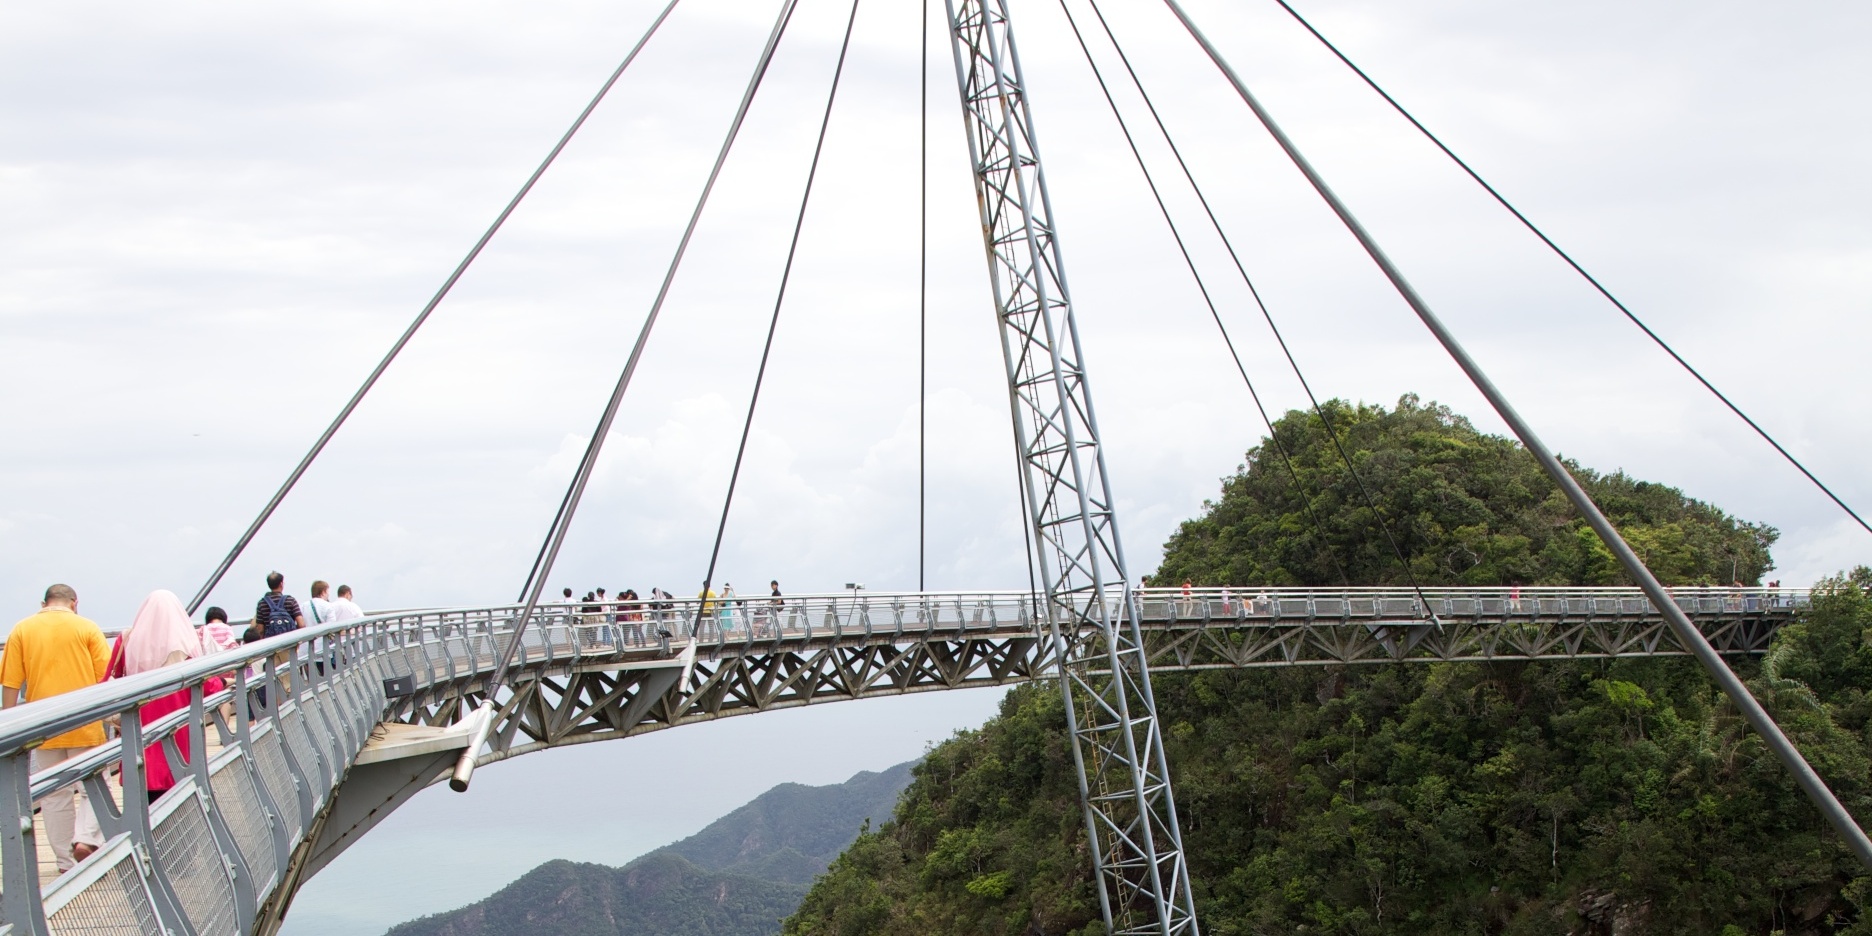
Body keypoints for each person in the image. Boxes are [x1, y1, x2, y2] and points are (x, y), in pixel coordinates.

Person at [0, 584, 109, 871]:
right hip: (85, 720)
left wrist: (11, 725)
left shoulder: (22, 629)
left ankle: (64, 862)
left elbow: (10, 682)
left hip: (43, 726)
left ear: (43, 603)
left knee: (53, 795)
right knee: (95, 786)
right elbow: (105, 678)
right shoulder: (87, 627)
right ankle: (85, 838)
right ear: (75, 603)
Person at [111, 591, 225, 803]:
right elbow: (210, 687)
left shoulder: (126, 640)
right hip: (178, 738)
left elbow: (111, 681)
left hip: (138, 736)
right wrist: (224, 682)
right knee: (177, 805)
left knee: (141, 808)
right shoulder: (185, 644)